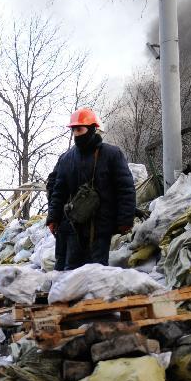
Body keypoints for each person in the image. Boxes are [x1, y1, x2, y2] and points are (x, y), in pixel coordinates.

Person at [46, 108, 136, 270]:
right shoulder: (66, 159)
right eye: (74, 130)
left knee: (96, 273)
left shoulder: (111, 154)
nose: (77, 134)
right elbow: (58, 192)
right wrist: (53, 218)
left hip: (100, 227)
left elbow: (126, 189)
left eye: (80, 129)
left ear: (93, 129)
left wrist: (125, 219)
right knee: (71, 273)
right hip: (73, 227)